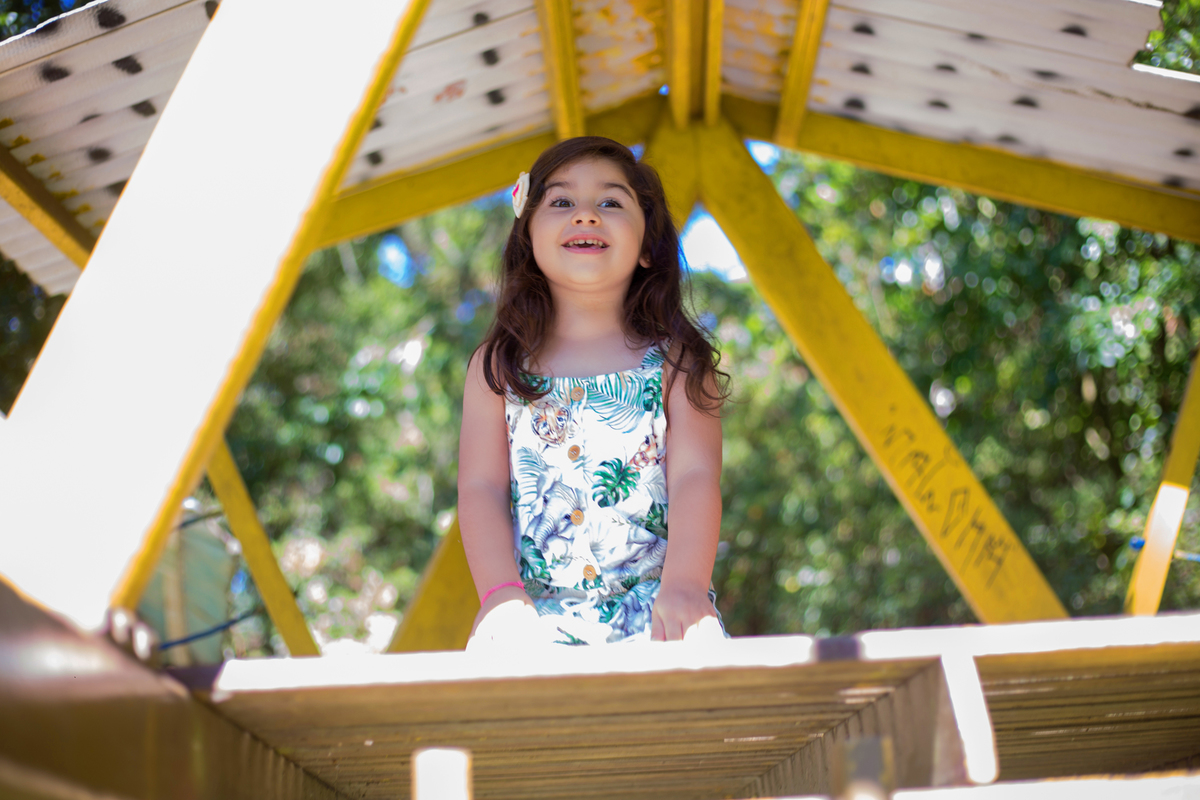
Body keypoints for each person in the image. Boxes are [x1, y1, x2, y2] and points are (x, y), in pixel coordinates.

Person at [458, 136, 729, 646]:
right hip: (532, 623)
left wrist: (687, 588)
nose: (585, 215)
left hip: (662, 615)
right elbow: (481, 490)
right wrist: (499, 596)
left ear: (648, 245)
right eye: (561, 201)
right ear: (529, 238)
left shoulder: (677, 364)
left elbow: (696, 478)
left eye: (610, 202)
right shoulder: (496, 369)